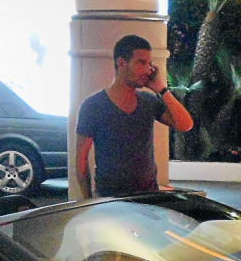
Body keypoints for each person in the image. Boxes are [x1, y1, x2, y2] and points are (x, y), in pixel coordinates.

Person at [74, 34, 194, 198]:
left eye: (149, 64)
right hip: (110, 200)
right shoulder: (92, 106)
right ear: (121, 62)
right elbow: (81, 162)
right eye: (141, 62)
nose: (147, 70)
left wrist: (160, 89)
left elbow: (186, 124)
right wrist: (87, 202)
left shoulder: (148, 101)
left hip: (149, 196)